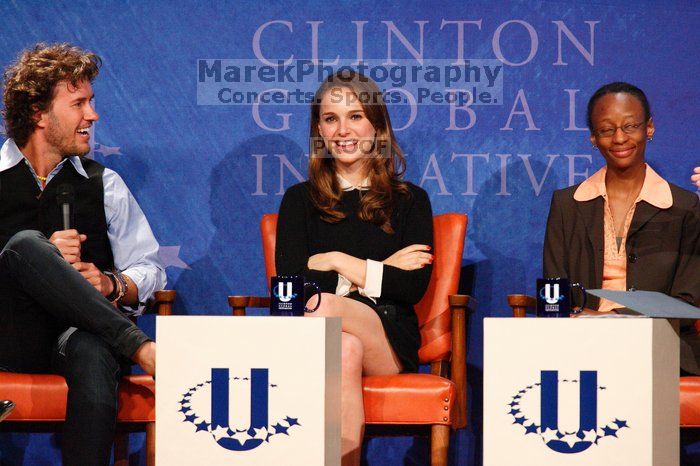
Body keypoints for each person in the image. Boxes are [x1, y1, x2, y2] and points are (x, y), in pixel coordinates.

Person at [0, 43, 166, 465]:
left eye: (91, 102)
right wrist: (46, 259)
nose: (92, 115)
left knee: (94, 350)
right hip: (6, 335)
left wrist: (111, 283)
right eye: (79, 103)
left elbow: (150, 270)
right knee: (25, 245)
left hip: (74, 336)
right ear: (38, 113)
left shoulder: (104, 183)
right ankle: (141, 348)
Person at [275, 71, 433, 465]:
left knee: (321, 307)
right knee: (342, 348)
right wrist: (378, 270)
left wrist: (336, 262)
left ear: (377, 126)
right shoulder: (299, 200)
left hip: (389, 340)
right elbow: (291, 286)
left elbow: (411, 287)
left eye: (356, 116)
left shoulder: (410, 200)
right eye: (331, 118)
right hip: (323, 342)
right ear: (319, 130)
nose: (343, 130)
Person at [543, 82, 699, 369]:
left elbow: (688, 301)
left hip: (660, 345)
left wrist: (617, 318)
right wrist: (579, 321)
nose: (619, 138)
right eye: (606, 129)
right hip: (582, 345)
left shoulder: (685, 207)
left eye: (630, 127)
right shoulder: (567, 204)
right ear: (593, 137)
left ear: (648, 128)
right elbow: (554, 293)